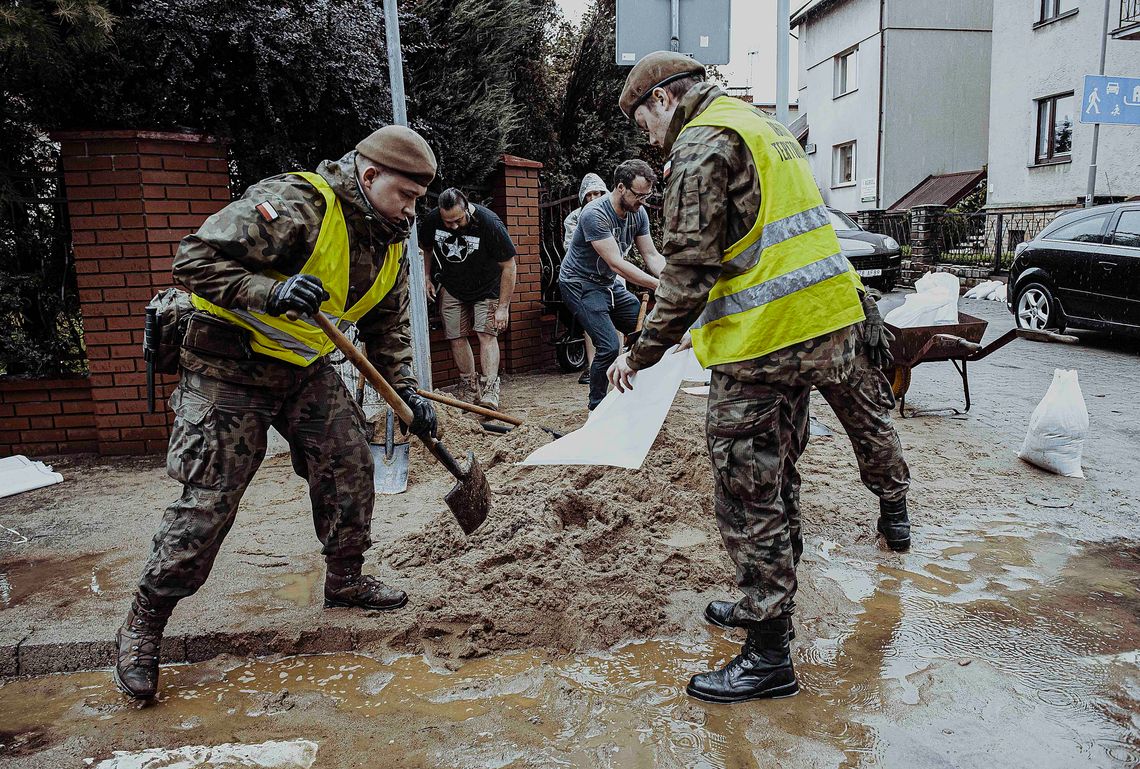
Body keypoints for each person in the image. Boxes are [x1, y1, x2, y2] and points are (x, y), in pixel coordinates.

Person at [112, 125, 440, 700]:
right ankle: (145, 623)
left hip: (300, 370)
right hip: (227, 366)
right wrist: (272, 292)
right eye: (406, 196)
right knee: (210, 501)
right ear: (369, 177)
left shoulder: (388, 238)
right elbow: (193, 259)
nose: (413, 210)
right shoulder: (299, 205)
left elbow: (388, 327)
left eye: (418, 199)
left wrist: (408, 395)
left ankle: (345, 579)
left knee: (349, 464)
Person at [609, 52, 867, 703]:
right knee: (776, 479)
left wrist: (638, 352)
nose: (646, 134)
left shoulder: (702, 142)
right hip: (801, 334)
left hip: (758, 349)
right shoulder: (759, 125)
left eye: (642, 117)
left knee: (747, 490)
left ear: (665, 98)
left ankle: (768, 653)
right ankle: (766, 605)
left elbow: (689, 271)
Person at [704, 290, 912, 632]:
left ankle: (779, 578)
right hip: (843, 320)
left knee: (772, 452)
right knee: (870, 424)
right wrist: (865, 301)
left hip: (790, 332)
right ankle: (896, 519)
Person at [559, 159, 666, 410]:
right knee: (608, 345)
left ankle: (634, 395)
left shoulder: (638, 214)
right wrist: (657, 286)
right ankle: (597, 406)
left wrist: (670, 279)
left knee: (649, 331)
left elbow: (651, 255)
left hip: (608, 284)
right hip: (580, 284)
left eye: (647, 195)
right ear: (620, 187)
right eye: (639, 195)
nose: (643, 201)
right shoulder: (594, 214)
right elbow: (617, 263)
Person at [419, 188, 517, 409]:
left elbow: (509, 266)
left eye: (457, 220)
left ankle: (490, 388)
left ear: (467, 208)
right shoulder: (434, 219)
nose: (453, 226)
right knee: (455, 335)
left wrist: (503, 307)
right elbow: (425, 247)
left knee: (485, 333)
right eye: (448, 222)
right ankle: (469, 386)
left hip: (487, 286)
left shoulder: (489, 223)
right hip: (453, 286)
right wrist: (426, 276)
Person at [563, 173, 610, 384]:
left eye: (598, 193)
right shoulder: (574, 218)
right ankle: (593, 366)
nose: (594, 198)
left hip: (612, 273)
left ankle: (614, 363)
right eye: (589, 194)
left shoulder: (613, 214)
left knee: (614, 321)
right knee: (592, 320)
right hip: (586, 277)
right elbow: (571, 247)